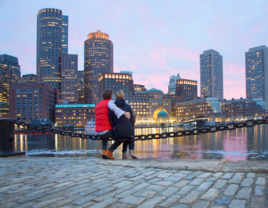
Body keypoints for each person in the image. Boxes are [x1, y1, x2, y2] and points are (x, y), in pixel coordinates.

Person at [95, 89, 130, 159]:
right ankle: (110, 151)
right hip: (106, 130)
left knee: (104, 135)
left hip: (98, 131)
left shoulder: (98, 104)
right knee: (122, 137)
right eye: (112, 95)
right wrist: (125, 113)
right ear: (110, 96)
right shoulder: (110, 103)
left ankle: (104, 151)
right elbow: (115, 109)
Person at [104, 90, 137, 160]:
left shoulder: (112, 107)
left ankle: (124, 154)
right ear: (123, 97)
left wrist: (115, 126)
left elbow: (111, 120)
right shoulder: (128, 106)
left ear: (115, 97)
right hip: (129, 130)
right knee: (130, 135)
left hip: (118, 130)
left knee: (124, 134)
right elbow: (132, 119)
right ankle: (131, 151)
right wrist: (131, 125)